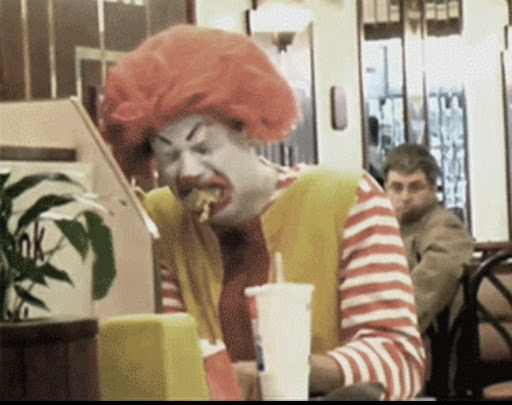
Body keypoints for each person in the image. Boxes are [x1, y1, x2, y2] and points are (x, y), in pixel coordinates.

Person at [100, 24, 425, 400]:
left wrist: (285, 374)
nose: (187, 171)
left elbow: (399, 360)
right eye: (168, 155)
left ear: (250, 130)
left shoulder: (350, 198)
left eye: (203, 147)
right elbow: (170, 358)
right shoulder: (160, 219)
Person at [382, 143, 474, 394]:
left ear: (433, 188)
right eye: (397, 187)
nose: (405, 196)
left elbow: (431, 283)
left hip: (422, 346)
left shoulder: (444, 226)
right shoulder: (384, 227)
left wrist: (384, 330)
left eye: (415, 187)